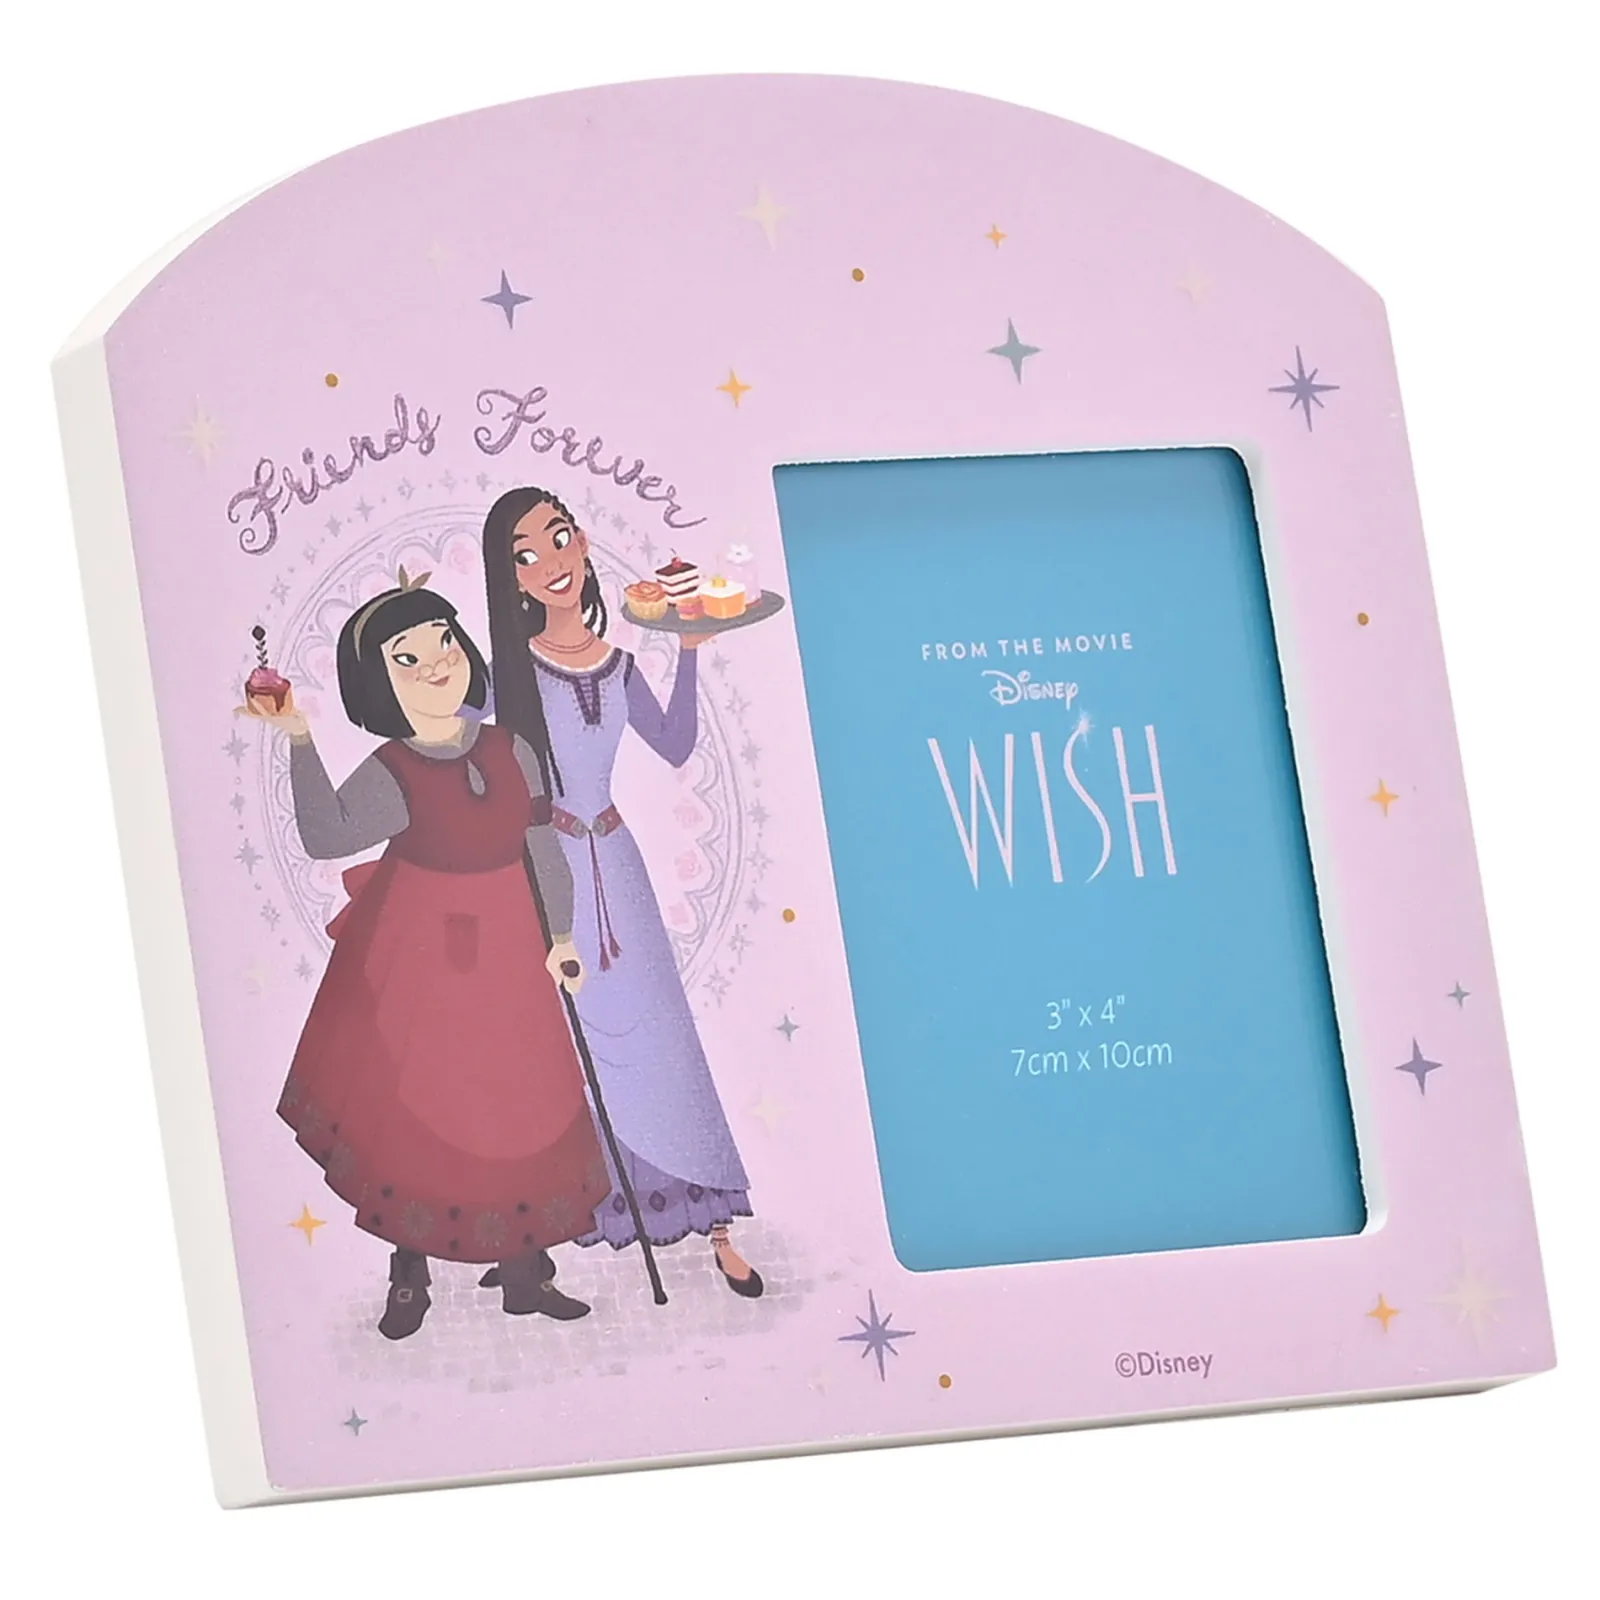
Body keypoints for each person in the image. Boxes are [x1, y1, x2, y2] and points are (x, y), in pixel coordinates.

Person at [240, 569, 610, 1339]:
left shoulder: (511, 748)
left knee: (520, 1098)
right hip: (421, 955)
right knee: (425, 1104)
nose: (437, 663)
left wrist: (563, 935)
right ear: (377, 684)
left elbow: (540, 844)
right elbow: (329, 836)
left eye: (443, 641)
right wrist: (300, 738)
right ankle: (409, 1273)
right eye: (406, 658)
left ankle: (524, 1269)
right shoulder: (394, 768)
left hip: (510, 947)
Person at [481, 488, 764, 1297]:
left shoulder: (621, 664)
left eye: (558, 539)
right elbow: (458, 729)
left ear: (582, 542)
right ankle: (560, 1219)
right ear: (513, 579)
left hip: (618, 863)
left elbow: (674, 743)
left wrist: (692, 650)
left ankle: (715, 1223)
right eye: (525, 555)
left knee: (663, 1037)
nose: (550, 563)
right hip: (547, 867)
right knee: (567, 1045)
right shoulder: (510, 674)